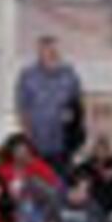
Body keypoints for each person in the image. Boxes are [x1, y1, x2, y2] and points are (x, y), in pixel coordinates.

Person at [14, 36, 83, 173]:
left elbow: (78, 105)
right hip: (37, 143)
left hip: (63, 144)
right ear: (39, 52)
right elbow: (22, 109)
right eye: (47, 50)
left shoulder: (70, 73)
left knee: (61, 184)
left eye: (54, 50)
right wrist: (28, 138)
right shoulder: (27, 75)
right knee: (38, 184)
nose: (52, 53)